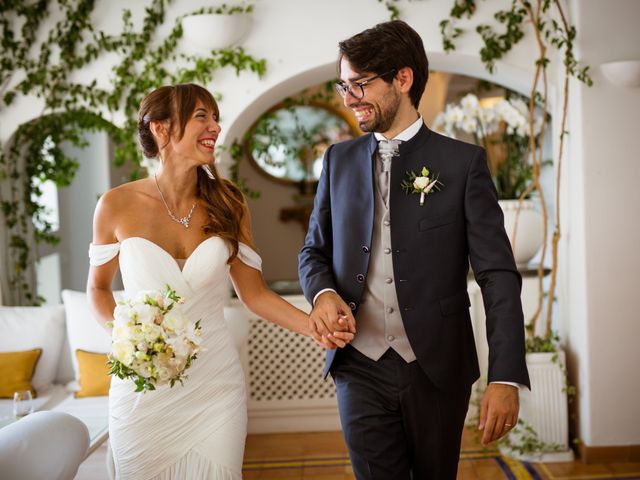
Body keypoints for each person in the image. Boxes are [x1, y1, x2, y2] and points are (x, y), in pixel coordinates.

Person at [298, 20, 530, 479]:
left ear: (402, 80)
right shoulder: (338, 162)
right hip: (357, 365)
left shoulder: (462, 164)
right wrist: (322, 293)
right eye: (344, 86)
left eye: (360, 85)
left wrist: (504, 375)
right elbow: (313, 252)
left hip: (437, 367)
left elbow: (497, 274)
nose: (348, 99)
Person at [86, 83, 353, 479]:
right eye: (201, 117)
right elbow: (99, 290)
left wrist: (313, 326)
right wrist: (129, 340)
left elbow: (254, 293)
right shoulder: (115, 205)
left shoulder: (229, 201)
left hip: (215, 386)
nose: (214, 126)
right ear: (160, 129)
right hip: (144, 390)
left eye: (215, 117)